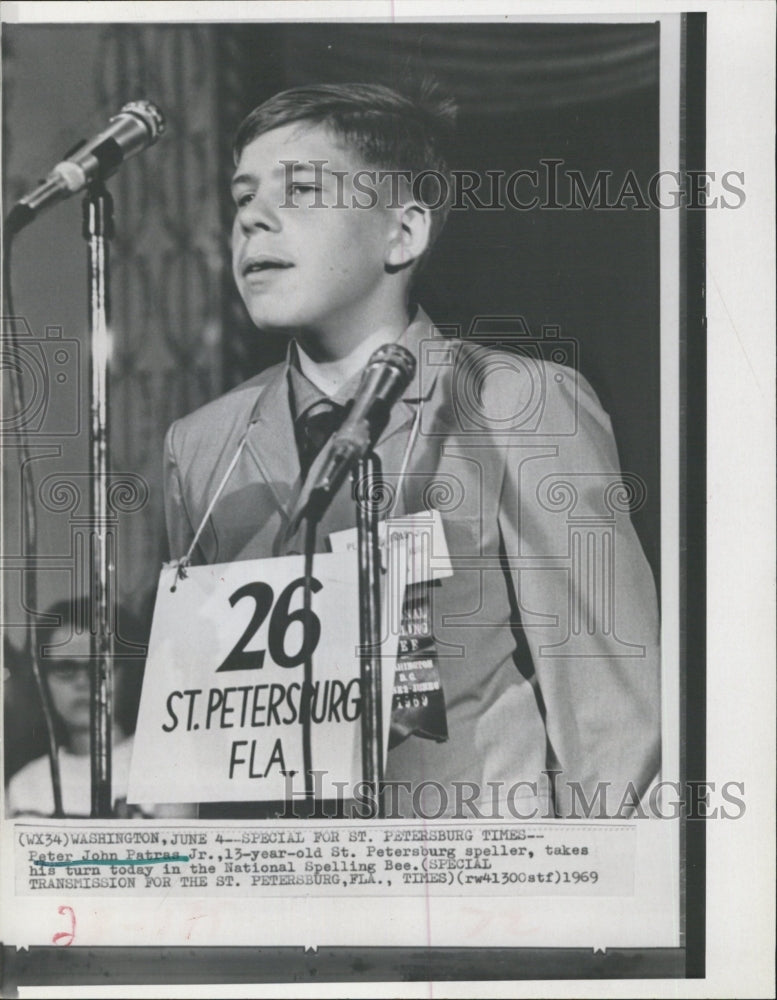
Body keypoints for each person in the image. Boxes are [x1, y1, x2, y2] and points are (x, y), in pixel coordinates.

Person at [163, 81, 660, 819]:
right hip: (276, 897)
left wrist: (610, 904)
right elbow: (197, 731)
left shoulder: (515, 402)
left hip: (479, 893)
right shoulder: (201, 443)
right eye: (241, 199)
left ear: (403, 233)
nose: (253, 222)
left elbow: (610, 715)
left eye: (299, 190)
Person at [6, 598, 191, 819]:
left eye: (100, 666)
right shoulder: (25, 787)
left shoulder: (170, 767)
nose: (83, 682)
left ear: (129, 672)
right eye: (66, 668)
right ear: (41, 679)